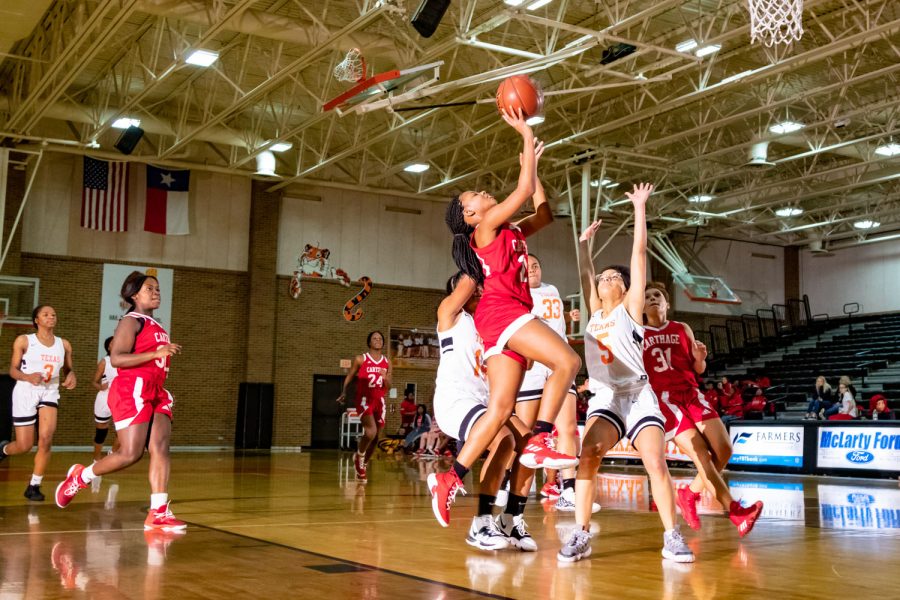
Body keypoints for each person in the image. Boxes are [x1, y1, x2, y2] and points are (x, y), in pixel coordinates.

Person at [429, 108, 581, 530]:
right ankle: (545, 438)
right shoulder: (485, 231)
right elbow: (519, 191)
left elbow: (543, 214)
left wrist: (534, 171)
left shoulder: (509, 231)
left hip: (497, 322)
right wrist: (525, 137)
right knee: (568, 362)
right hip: (503, 311)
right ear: (471, 217)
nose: (475, 194)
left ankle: (449, 478)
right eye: (468, 199)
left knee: (498, 411)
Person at [558, 184, 693, 564]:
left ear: (623, 287)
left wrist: (639, 209)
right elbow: (585, 273)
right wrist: (585, 246)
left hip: (637, 394)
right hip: (605, 396)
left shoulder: (630, 310)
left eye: (612, 277)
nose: (605, 279)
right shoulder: (595, 312)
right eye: (601, 278)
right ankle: (581, 533)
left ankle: (672, 536)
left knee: (654, 460)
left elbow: (637, 255)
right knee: (588, 456)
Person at [54, 272, 186, 532]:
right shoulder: (131, 321)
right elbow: (117, 359)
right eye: (150, 288)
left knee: (160, 447)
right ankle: (81, 477)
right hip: (131, 388)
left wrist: (159, 355)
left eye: (158, 288)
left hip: (156, 390)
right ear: (134, 295)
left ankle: (158, 512)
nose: (157, 292)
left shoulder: (156, 325)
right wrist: (156, 353)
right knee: (130, 453)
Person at [644, 282, 763, 538]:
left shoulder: (681, 328)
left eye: (657, 296)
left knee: (724, 450)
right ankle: (735, 511)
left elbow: (699, 370)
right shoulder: (638, 332)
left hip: (692, 394)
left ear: (667, 304)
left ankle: (689, 494)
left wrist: (699, 358)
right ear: (641, 306)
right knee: (702, 456)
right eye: (648, 297)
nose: (653, 299)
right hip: (665, 400)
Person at [429, 272, 522, 551]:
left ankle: (484, 522)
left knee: (511, 442)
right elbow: (469, 281)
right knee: (505, 437)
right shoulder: (450, 314)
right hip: (455, 400)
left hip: (482, 402)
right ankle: (449, 479)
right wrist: (481, 248)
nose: (480, 289)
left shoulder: (487, 324)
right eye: (473, 286)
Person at [519, 253, 581, 512]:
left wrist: (569, 318)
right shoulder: (517, 294)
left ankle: (568, 490)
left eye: (536, 265)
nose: (532, 269)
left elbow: (553, 321)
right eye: (527, 267)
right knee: (527, 433)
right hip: (534, 362)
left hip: (559, 360)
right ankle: (514, 496)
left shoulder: (552, 289)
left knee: (567, 427)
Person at [0, 305, 76, 502]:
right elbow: (13, 371)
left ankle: (34, 485)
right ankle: (3, 449)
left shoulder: (64, 344)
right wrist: (27, 377)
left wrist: (71, 376)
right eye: (46, 314)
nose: (51, 317)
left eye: (53, 314)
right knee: (24, 445)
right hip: (26, 391)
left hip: (49, 391)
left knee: (46, 438)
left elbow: (68, 370)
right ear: (36, 320)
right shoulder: (24, 340)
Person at [337, 331, 391, 482]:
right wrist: (344, 391)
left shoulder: (386, 362)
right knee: (370, 432)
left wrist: (385, 377)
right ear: (369, 343)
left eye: (380, 338)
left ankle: (363, 463)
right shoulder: (361, 359)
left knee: (375, 438)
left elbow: (389, 385)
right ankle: (358, 457)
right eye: (374, 338)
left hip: (379, 400)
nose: (378, 340)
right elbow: (350, 375)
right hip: (364, 399)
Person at [90, 337, 119, 462]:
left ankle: (112, 454)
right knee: (101, 432)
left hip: (121, 399)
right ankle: (96, 460)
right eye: (113, 342)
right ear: (108, 347)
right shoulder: (105, 362)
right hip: (105, 398)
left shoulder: (128, 360)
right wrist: (100, 386)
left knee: (123, 433)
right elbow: (94, 382)